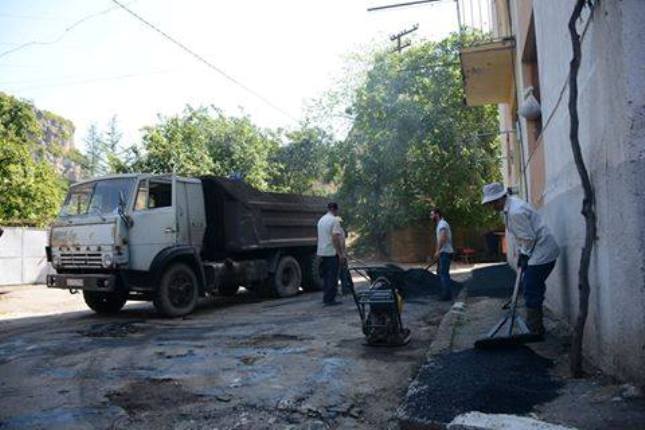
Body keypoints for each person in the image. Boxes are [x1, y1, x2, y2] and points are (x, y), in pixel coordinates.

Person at [481, 182, 560, 335]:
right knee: (532, 286)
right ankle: (535, 325)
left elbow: (528, 238)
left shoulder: (515, 212)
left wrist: (524, 254)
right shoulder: (510, 207)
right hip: (537, 251)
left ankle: (535, 329)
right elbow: (523, 236)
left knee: (531, 288)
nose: (491, 207)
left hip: (542, 253)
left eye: (491, 204)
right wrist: (522, 253)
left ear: (499, 199)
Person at [317, 202, 346, 306]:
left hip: (322, 252)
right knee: (332, 277)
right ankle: (330, 300)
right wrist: (340, 253)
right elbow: (335, 238)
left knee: (326, 277)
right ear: (335, 209)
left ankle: (326, 298)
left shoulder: (321, 220)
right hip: (331, 252)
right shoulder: (334, 221)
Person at [431, 208, 455, 301]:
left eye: (432, 215)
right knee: (441, 273)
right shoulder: (440, 224)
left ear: (437, 215)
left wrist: (438, 251)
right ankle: (445, 293)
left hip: (445, 253)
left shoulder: (442, 224)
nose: (431, 217)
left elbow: (443, 237)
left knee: (444, 274)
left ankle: (447, 296)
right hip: (444, 252)